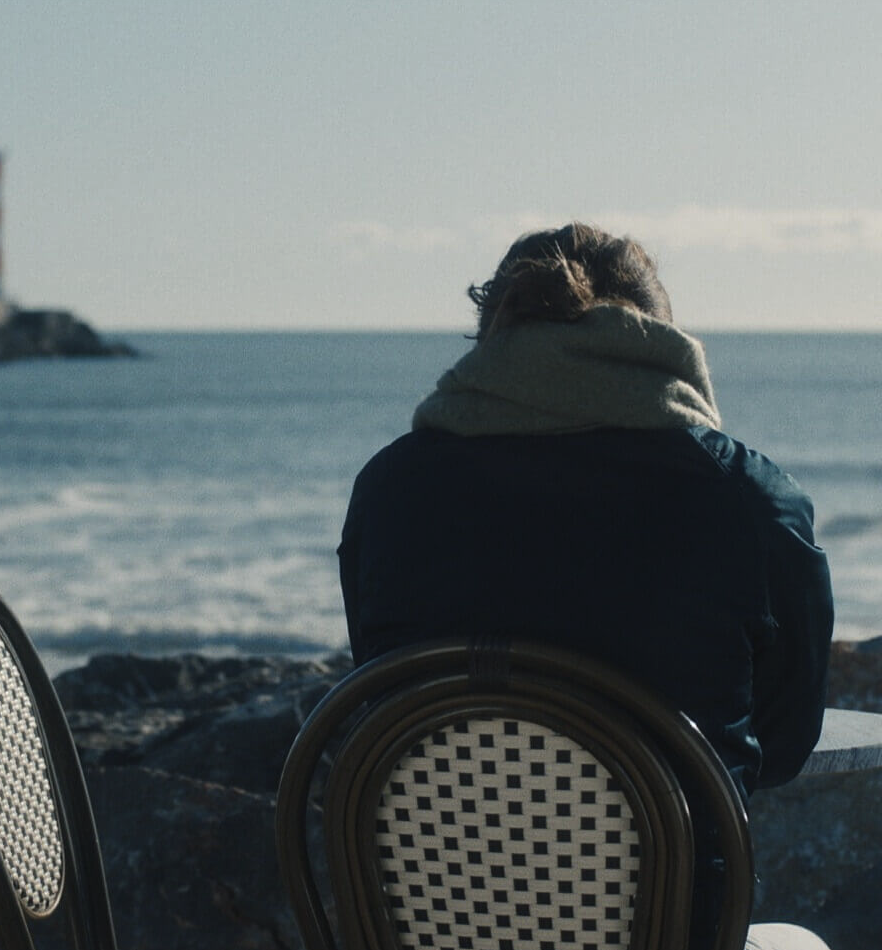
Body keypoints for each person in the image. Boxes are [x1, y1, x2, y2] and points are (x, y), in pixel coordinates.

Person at [337, 223, 834, 948]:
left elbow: (382, 696)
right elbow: (783, 745)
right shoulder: (748, 500)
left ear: (490, 341)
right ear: (660, 344)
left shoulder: (390, 490)